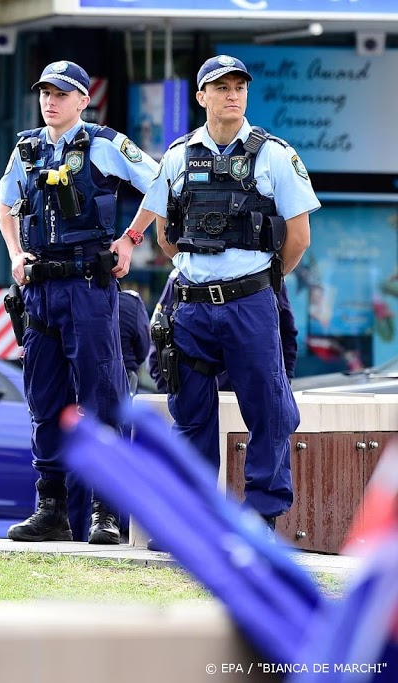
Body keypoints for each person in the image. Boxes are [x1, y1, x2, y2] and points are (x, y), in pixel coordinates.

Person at [137, 54, 318, 533]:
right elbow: (166, 237)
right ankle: (193, 518)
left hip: (250, 304)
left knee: (269, 411)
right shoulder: (177, 156)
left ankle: (261, 514)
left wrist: (260, 281)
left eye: (239, 86)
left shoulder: (275, 154)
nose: (232, 94)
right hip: (192, 307)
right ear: (201, 97)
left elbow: (298, 238)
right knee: (190, 415)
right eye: (220, 87)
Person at [0, 59, 159, 544]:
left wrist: (130, 239)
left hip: (88, 286)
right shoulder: (26, 148)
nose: (51, 101)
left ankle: (106, 513)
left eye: (62, 93)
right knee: (44, 401)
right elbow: (5, 203)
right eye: (45, 92)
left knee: (100, 399)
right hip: (40, 290)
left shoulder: (106, 144)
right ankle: (52, 509)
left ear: (84, 100)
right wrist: (14, 253)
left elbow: (162, 183)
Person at [147, 268, 298, 392]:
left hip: (249, 393)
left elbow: (287, 331)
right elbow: (159, 337)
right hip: (195, 392)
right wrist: (173, 390)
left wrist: (284, 382)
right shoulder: (185, 275)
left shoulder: (263, 274)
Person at [119, 285, 150, 395]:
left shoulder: (77, 300)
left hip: (82, 381)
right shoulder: (130, 302)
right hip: (125, 380)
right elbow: (143, 349)